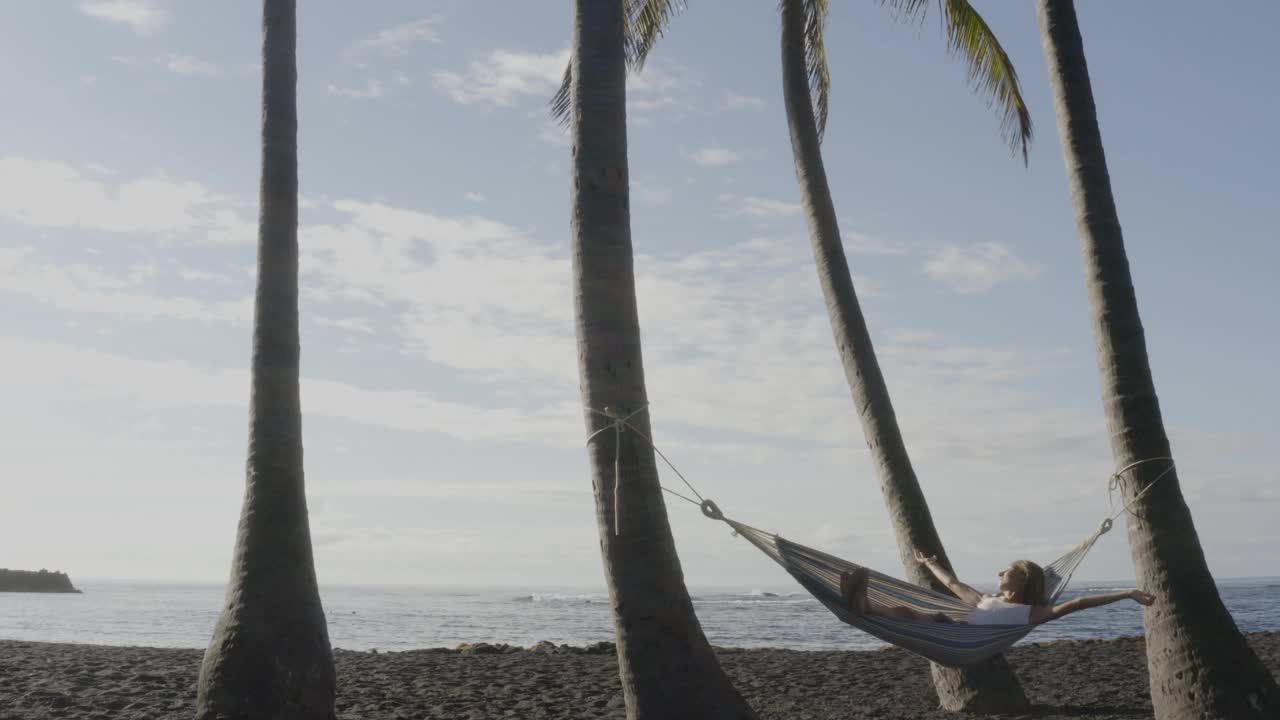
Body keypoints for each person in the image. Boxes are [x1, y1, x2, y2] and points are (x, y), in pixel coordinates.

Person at [839, 549, 1155, 625]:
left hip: (958, 637)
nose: (1000, 571)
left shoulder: (1032, 613)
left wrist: (1127, 592)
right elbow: (951, 582)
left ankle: (863, 603)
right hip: (950, 627)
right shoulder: (985, 598)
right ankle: (861, 601)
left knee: (911, 611)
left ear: (1022, 581)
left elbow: (1079, 603)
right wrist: (928, 562)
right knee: (910, 610)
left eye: (1007, 571)